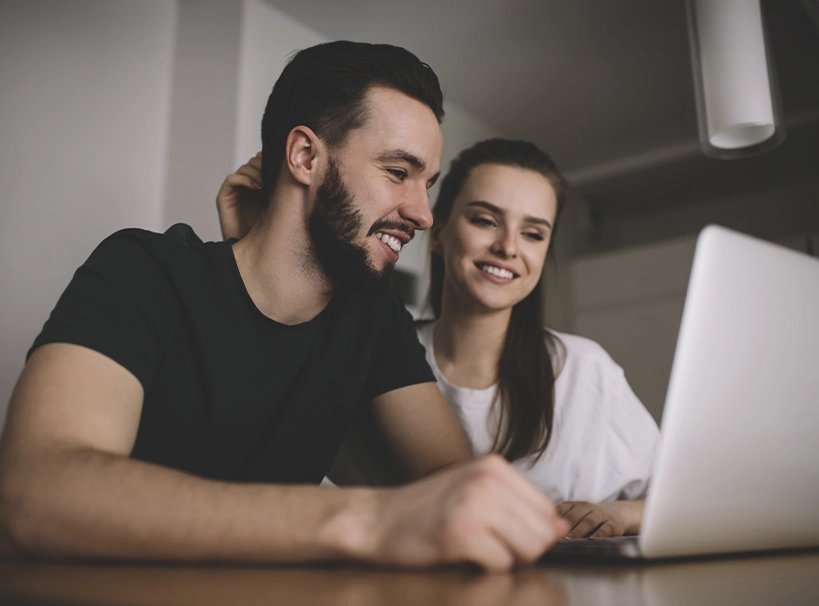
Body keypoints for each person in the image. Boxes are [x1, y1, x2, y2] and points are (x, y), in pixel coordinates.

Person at [0, 41, 568, 572]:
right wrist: (365, 521)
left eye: (427, 184)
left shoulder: (371, 317)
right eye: (398, 173)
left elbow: (449, 478)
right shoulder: (145, 271)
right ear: (303, 155)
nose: (422, 214)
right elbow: (36, 489)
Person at [218, 138, 659, 540]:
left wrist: (619, 515)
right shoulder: (371, 352)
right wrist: (252, 250)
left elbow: (679, 496)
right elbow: (252, 439)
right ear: (438, 231)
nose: (508, 247)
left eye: (532, 233)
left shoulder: (585, 370)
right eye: (485, 220)